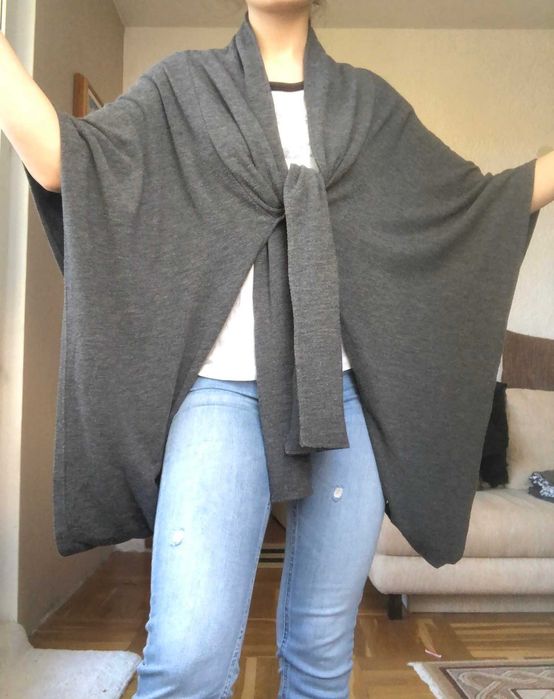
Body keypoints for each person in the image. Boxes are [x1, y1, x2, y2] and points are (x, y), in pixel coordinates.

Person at [1, 1, 552, 698]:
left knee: (322, 655)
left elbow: (474, 206)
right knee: (189, 657)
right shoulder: (183, 89)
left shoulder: (367, 107)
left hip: (347, 403)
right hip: (219, 394)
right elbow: (64, 162)